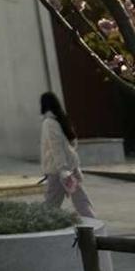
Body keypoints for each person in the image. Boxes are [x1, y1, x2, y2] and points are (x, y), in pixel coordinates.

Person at [40, 91, 101, 224]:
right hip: (71, 168)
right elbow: (72, 143)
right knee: (81, 200)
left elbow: (56, 148)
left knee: (51, 202)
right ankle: (94, 225)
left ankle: (42, 226)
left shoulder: (49, 122)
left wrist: (62, 169)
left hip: (58, 170)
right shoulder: (62, 119)